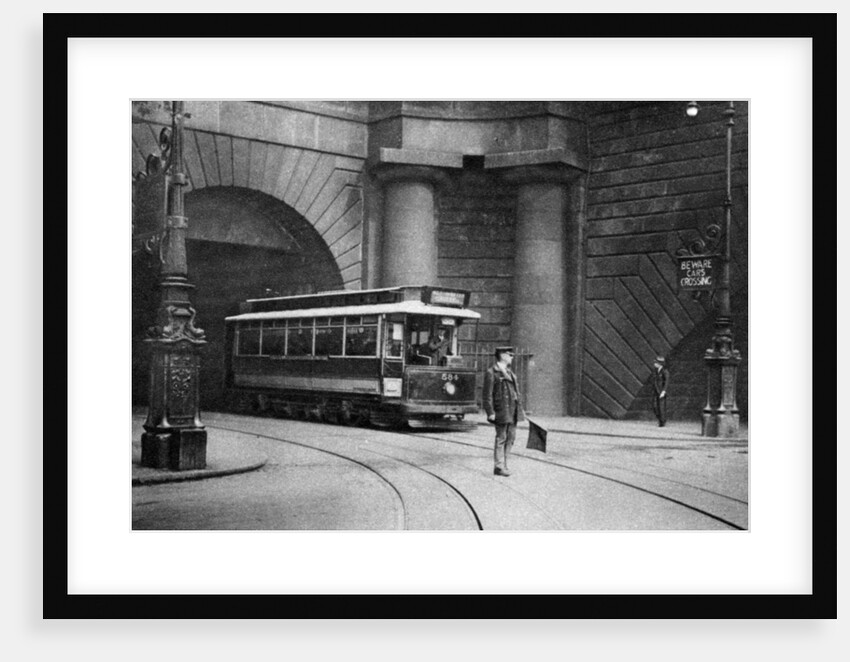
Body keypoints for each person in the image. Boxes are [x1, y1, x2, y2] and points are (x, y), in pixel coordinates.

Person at [482, 346, 523, 476]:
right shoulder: (492, 372)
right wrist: (490, 412)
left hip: (512, 410)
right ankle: (499, 466)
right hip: (501, 410)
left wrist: (520, 410)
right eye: (510, 355)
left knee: (511, 438)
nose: (512, 357)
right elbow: (486, 395)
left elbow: (516, 393)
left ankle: (503, 464)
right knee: (501, 438)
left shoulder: (510, 372)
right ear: (502, 355)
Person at [652, 356, 669, 427]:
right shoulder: (656, 371)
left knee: (661, 407)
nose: (654, 364)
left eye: (656, 362)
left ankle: (662, 422)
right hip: (656, 391)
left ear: (660, 364)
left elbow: (666, 382)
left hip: (661, 392)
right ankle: (661, 419)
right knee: (655, 406)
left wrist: (664, 391)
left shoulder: (665, 371)